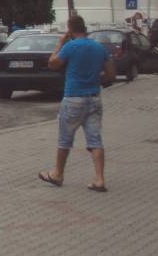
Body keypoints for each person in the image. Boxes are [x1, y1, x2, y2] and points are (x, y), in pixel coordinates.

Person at [40, 15, 116, 192]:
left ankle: (57, 174)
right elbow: (111, 74)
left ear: (70, 29)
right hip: (94, 98)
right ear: (85, 28)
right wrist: (95, 79)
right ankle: (99, 179)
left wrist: (60, 43)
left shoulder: (70, 46)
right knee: (95, 139)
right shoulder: (99, 47)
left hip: (73, 98)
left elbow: (52, 64)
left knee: (65, 139)